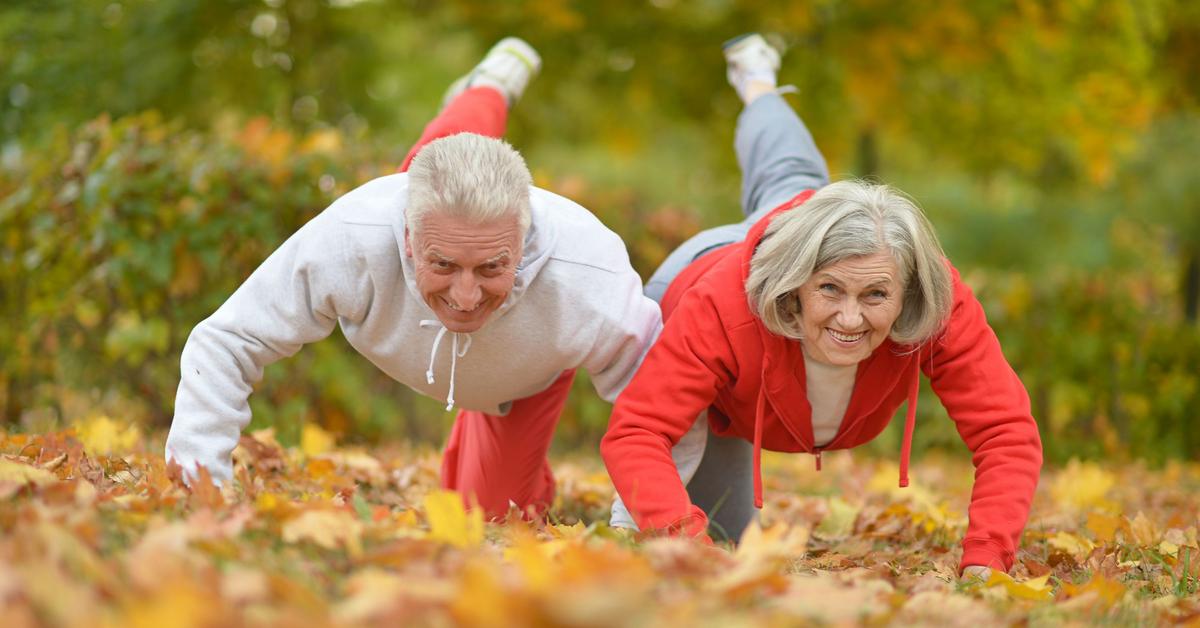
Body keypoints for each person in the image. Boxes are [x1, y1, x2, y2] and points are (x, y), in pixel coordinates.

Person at [601, 34, 1042, 579]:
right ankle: (759, 89)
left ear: (907, 290)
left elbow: (1007, 432)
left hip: (810, 225)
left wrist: (987, 560)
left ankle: (757, 80)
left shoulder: (935, 300)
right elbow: (637, 433)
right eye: (830, 291)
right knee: (719, 538)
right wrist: (688, 543)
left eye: (876, 296)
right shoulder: (719, 303)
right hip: (713, 264)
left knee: (792, 173)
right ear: (795, 286)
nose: (851, 320)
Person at [166, 38, 662, 519]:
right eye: (442, 265)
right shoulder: (354, 236)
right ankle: (486, 89)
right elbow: (227, 340)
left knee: (496, 515)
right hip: (428, 222)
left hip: (523, 372)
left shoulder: (586, 278)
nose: (466, 297)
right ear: (407, 237)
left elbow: (658, 411)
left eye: (492, 267)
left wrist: (637, 523)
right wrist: (200, 486)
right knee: (446, 154)